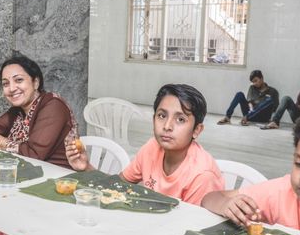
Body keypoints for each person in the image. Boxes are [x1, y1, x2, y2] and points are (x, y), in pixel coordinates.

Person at [66, 84, 224, 205]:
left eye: (180, 119)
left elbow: (190, 231)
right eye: (162, 116)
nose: (167, 126)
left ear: (197, 130)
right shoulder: (152, 147)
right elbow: (118, 185)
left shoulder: (203, 176)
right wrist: (86, 168)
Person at [0, 54, 78, 168]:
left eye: (19, 80)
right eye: (5, 84)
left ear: (35, 82)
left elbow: (33, 154)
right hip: (28, 173)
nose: (11, 88)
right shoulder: (18, 111)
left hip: (60, 179)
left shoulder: (53, 106)